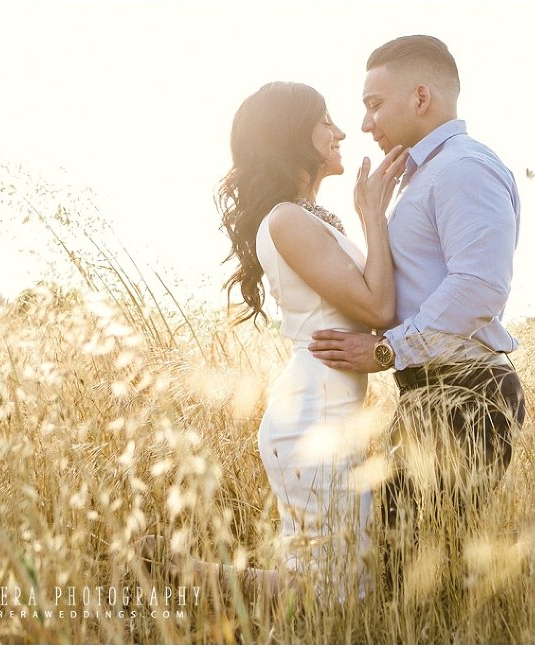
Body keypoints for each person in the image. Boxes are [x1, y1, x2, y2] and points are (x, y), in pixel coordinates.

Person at [140, 81, 407, 605]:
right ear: (291, 134)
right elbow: (378, 309)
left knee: (344, 588)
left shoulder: (306, 217)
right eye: (325, 120)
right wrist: (372, 215)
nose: (341, 131)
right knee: (331, 595)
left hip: (328, 410)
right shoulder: (286, 220)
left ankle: (180, 570)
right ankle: (176, 570)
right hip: (312, 414)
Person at [307, 35, 527, 593]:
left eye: (375, 104)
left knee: (410, 575)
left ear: (421, 96)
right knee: (408, 568)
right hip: (434, 392)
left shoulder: (463, 169)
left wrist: (387, 350)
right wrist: (370, 217)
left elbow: (480, 287)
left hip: (466, 392)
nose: (363, 123)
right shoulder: (420, 176)